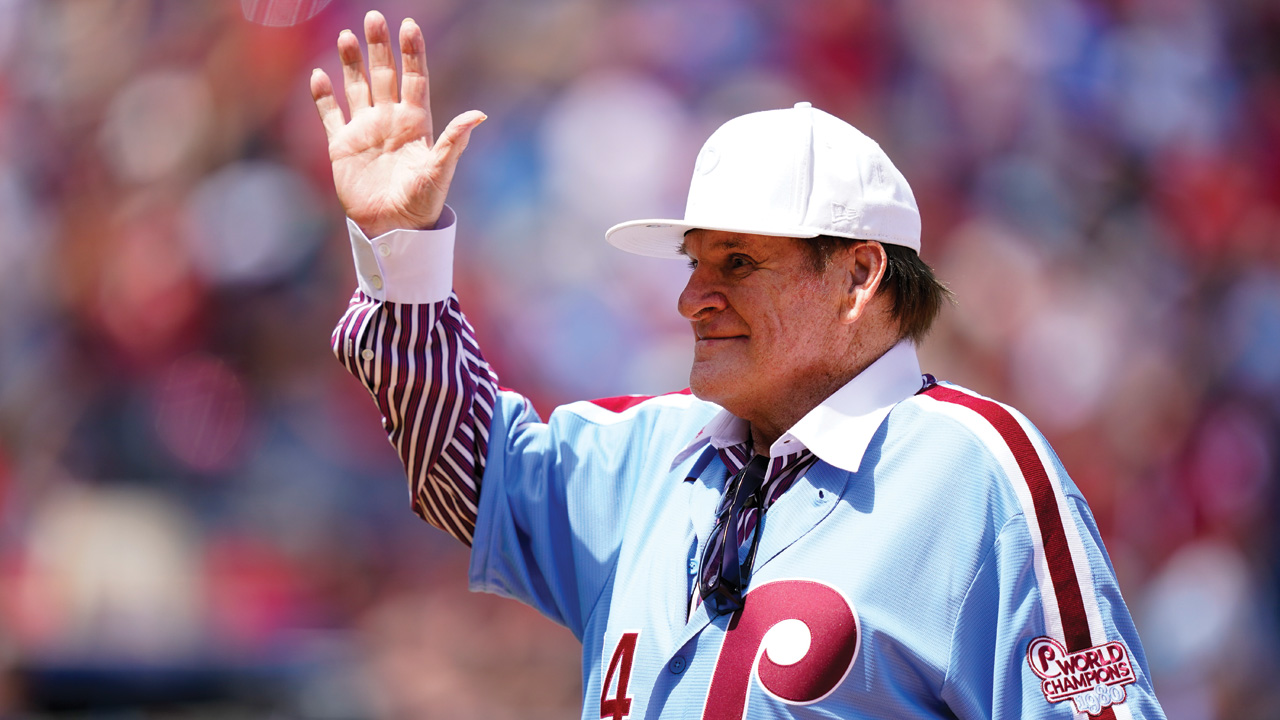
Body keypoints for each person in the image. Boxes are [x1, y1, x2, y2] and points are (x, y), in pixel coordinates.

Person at [310, 11, 1166, 720]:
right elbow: (463, 465)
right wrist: (402, 249)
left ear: (860, 277)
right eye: (694, 262)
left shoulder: (976, 469)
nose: (693, 300)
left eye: (739, 264)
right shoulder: (649, 451)